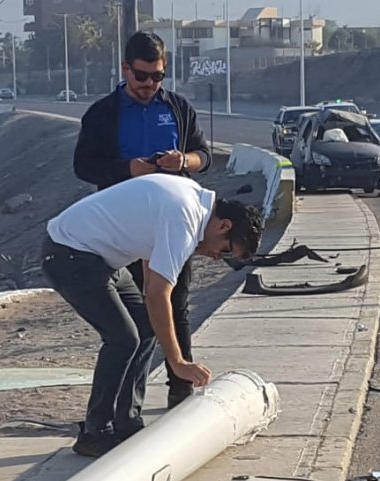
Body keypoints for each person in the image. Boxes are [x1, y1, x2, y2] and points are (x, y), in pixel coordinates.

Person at [41, 173, 262, 457]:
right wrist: (178, 362)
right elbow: (158, 295)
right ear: (224, 225)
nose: (217, 256)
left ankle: (127, 422)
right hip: (70, 254)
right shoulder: (185, 219)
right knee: (122, 339)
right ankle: (95, 433)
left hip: (97, 257)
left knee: (146, 328)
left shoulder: (191, 198)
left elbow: (151, 267)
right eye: (226, 250)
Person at [73, 31, 211, 411]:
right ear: (125, 69)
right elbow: (83, 166)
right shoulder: (103, 114)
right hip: (124, 230)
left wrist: (183, 161)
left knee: (175, 303)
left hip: (172, 223)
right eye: (142, 76)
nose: (149, 84)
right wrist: (127, 169)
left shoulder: (178, 107)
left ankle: (180, 387)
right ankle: (125, 404)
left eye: (157, 76)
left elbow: (203, 155)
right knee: (135, 318)